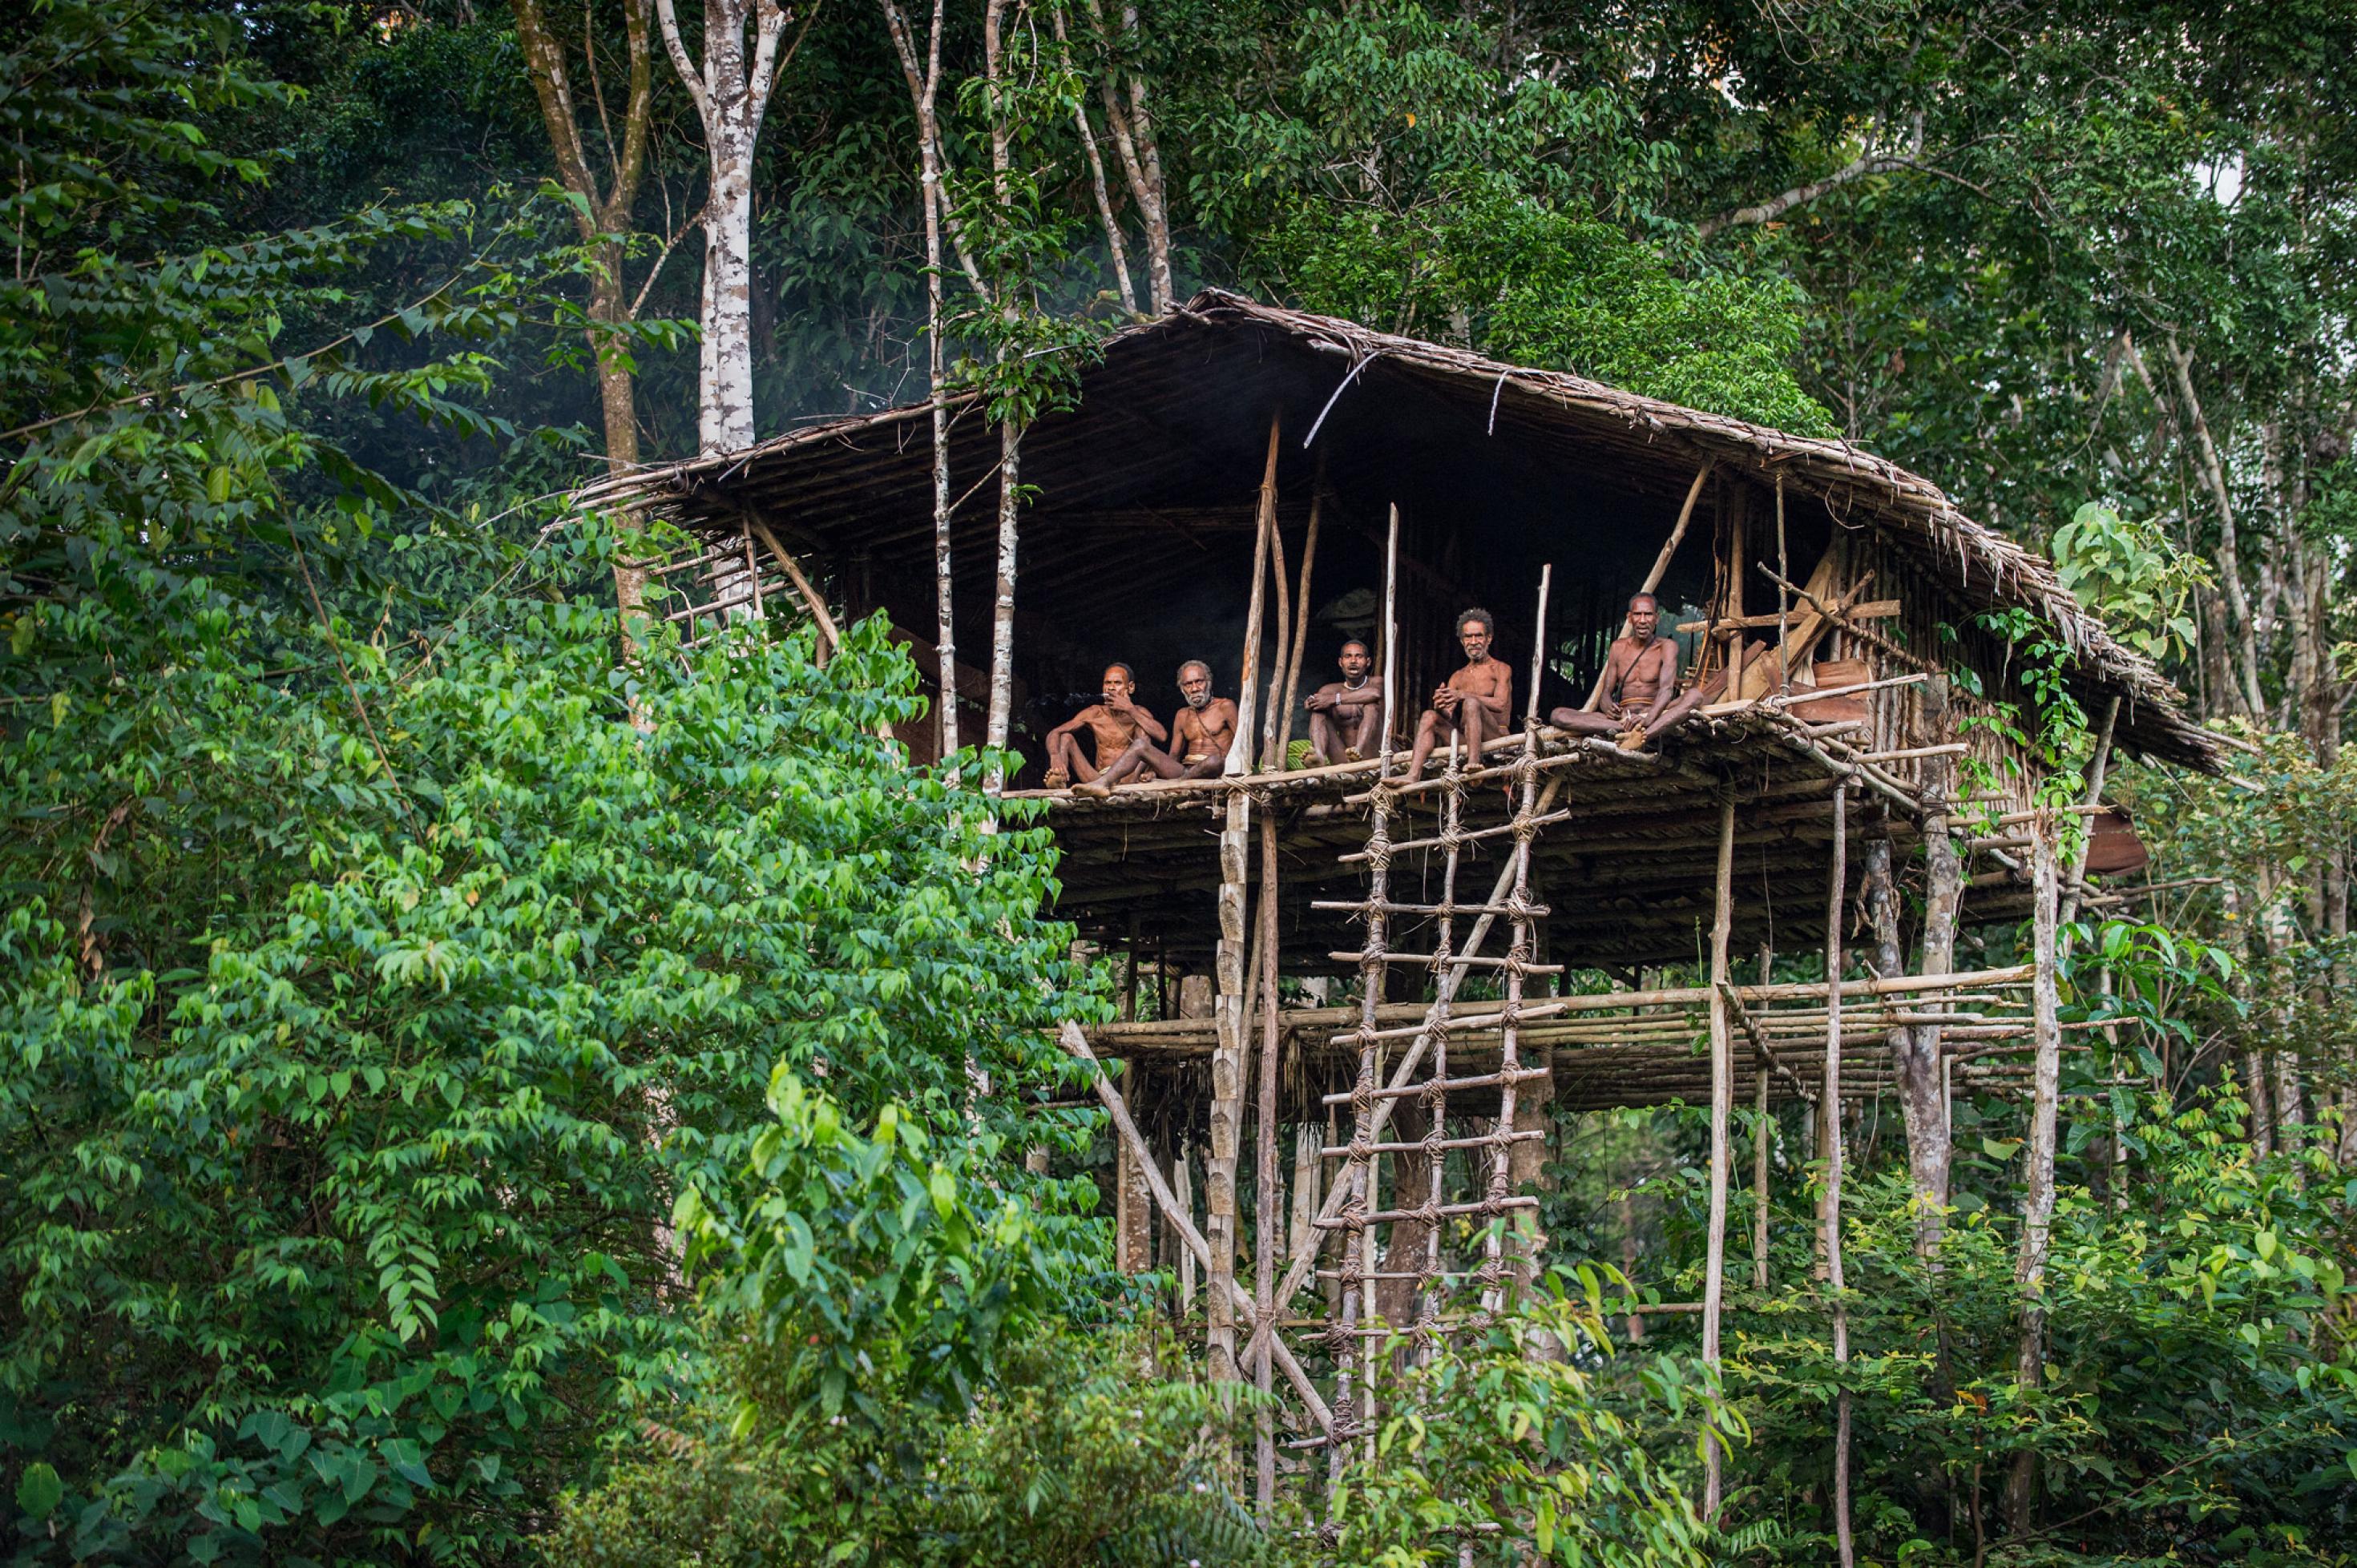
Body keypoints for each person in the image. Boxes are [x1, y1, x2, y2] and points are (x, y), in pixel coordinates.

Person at [1548, 591, 1721, 748]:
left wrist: (1648, 718)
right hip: (1622, 718)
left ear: (1656, 618)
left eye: (1648, 614)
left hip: (1656, 713)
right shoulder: (1618, 648)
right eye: (1638, 614)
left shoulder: (1667, 647)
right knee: (1558, 715)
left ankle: (1644, 735)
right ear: (1629, 618)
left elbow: (1667, 690)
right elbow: (1606, 692)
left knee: (1695, 696)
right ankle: (1626, 730)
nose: (1643, 620)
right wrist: (1608, 706)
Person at [1075, 659, 1239, 795]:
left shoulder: (1226, 706)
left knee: (1214, 761)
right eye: (1188, 684)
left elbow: (1244, 744)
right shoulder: (1182, 715)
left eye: (1199, 682)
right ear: (1182, 689)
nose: (1195, 688)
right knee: (1140, 745)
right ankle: (1103, 783)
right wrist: (1155, 772)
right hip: (1185, 771)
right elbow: (1173, 756)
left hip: (1214, 770)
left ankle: (1179, 783)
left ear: (1208, 682)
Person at [1402, 608, 1513, 783]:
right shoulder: (1457, 676)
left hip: (1496, 739)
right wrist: (1440, 706)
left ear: (1489, 638)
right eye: (1468, 637)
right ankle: (1412, 775)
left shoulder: (1500, 669)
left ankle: (1474, 763)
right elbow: (1448, 715)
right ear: (1462, 641)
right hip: (1466, 740)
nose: (1474, 641)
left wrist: (1462, 695)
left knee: (1471, 703)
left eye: (1479, 636)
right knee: (1428, 716)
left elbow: (1500, 704)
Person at [1042, 664, 1164, 790]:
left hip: (1129, 778)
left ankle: (1127, 784)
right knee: (1066, 738)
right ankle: (1059, 780)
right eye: (1107, 683)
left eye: (1117, 683)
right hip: (1097, 779)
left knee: (1144, 734)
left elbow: (1161, 736)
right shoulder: (1095, 713)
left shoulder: (1138, 712)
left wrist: (1130, 710)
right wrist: (1055, 755)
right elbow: (1055, 732)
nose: (1111, 688)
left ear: (1131, 687)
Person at [1304, 639, 1382, 764]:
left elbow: (1375, 694)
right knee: (1318, 712)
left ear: (1368, 662)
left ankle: (1359, 750)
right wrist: (1312, 703)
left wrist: (1335, 699)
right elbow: (1316, 702)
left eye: (1359, 656)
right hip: (1344, 758)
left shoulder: (1376, 683)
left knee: (1371, 706)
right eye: (1348, 656)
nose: (1353, 661)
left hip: (1373, 756)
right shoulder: (1329, 690)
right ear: (1341, 662)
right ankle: (1319, 755)